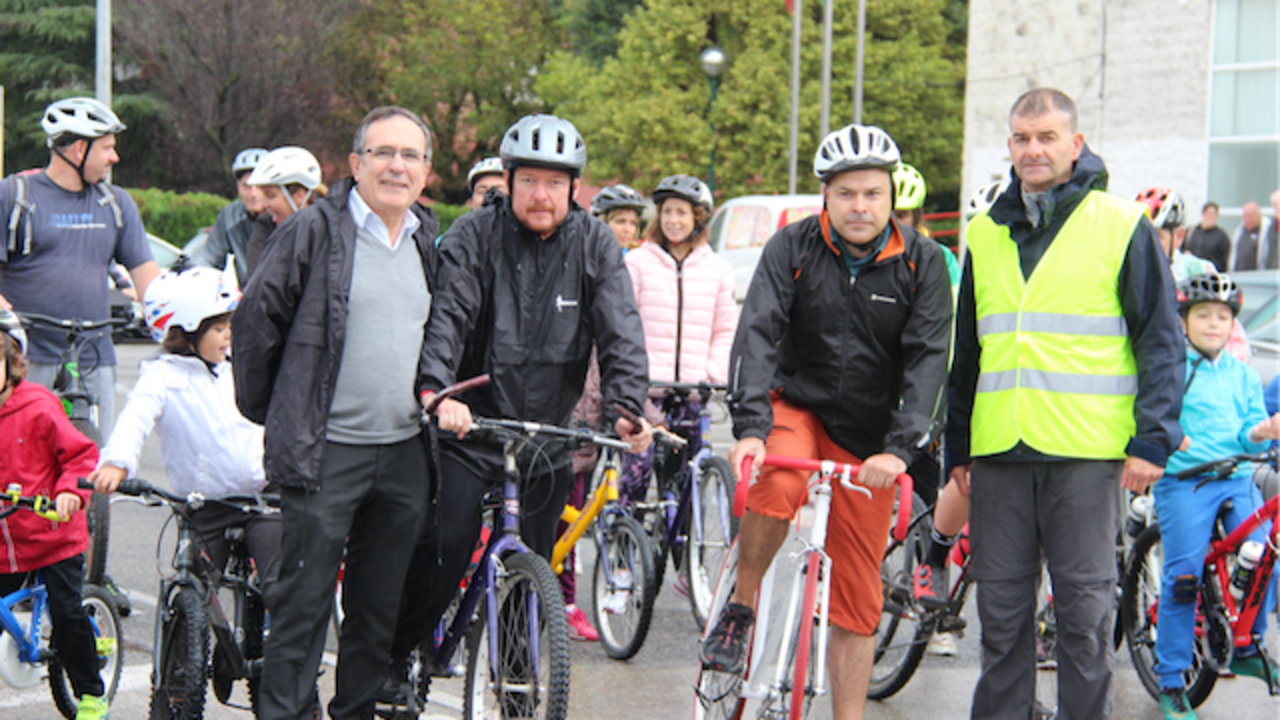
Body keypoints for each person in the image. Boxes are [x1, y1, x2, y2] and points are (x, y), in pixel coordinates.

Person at [392, 113, 653, 692]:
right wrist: (437, 392)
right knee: (449, 545)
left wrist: (627, 407)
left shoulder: (595, 244)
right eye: (529, 180)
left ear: (574, 189)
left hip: (546, 436)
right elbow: (448, 320)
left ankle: (515, 683)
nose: (541, 194)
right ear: (507, 181)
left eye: (555, 183)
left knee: (532, 563)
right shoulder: (472, 236)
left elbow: (620, 331)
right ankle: (399, 653)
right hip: (471, 427)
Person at [702, 123, 952, 720]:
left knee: (860, 597)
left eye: (871, 193)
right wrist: (752, 430)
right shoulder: (791, 247)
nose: (859, 206)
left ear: (891, 196)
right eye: (846, 194)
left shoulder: (924, 263)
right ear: (826, 198)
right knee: (780, 483)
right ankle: (741, 604)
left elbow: (929, 362)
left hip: (872, 438)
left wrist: (901, 449)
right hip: (798, 406)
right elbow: (756, 334)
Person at [949, 88, 1184, 720]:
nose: (1034, 149)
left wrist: (1151, 439)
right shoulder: (984, 232)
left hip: (1086, 455)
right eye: (1022, 138)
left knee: (1083, 622)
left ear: (1075, 144)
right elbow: (968, 354)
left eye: (1047, 137)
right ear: (1009, 147)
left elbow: (1161, 341)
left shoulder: (1121, 224)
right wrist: (958, 446)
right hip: (999, 455)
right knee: (1000, 621)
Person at [233, 106, 440, 720]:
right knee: (303, 611)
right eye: (382, 152)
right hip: (326, 451)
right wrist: (279, 410)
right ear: (355, 164)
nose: (396, 165)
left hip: (403, 452)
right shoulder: (315, 230)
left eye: (410, 155)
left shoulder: (428, 235)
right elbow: (254, 323)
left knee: (376, 614)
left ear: (426, 172)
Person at [88, 266, 281, 615]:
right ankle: (185, 665)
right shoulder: (162, 377)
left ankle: (283, 660)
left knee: (281, 584)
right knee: (192, 591)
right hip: (204, 506)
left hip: (261, 496)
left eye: (231, 326)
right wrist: (117, 461)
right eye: (219, 328)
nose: (229, 336)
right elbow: (136, 417)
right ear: (187, 333)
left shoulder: (242, 366)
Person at [1151, 273, 1280, 720]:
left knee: (1266, 555)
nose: (1213, 324)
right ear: (1183, 320)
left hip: (1237, 476)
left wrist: (1262, 432)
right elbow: (1152, 416)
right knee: (1184, 579)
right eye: (1203, 315)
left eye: (1222, 317)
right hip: (1186, 482)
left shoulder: (1243, 375)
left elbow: (1251, 431)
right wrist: (1170, 436)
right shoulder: (1172, 368)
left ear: (1232, 326)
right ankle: (1170, 680)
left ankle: (1246, 643)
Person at [0, 97, 160, 439]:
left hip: (94, 353)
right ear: (78, 150)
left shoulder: (117, 204)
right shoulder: (14, 196)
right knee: (20, 450)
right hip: (27, 356)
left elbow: (147, 276)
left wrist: (172, 318)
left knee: (92, 456)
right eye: (107, 148)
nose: (114, 158)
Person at [620, 173, 737, 591]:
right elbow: (624, 324)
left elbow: (726, 329)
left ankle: (687, 569)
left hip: (692, 390)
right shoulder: (637, 262)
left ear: (698, 218)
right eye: (666, 211)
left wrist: (710, 375)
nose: (673, 220)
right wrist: (632, 376)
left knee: (687, 479)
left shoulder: (717, 269)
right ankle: (620, 568)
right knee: (634, 478)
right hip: (646, 391)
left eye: (681, 213)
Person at [0, 309, 109, 720]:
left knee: (66, 614)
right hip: (4, 541)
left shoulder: (40, 407)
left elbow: (81, 456)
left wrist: (68, 493)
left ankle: (91, 694)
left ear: (12, 364)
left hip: (52, 532)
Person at [240, 146, 328, 282]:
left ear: (299, 196)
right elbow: (254, 284)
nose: (264, 204)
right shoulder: (266, 225)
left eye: (270, 195)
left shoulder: (332, 229)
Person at [191, 147, 268, 283]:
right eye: (246, 186)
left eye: (259, 186)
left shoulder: (283, 213)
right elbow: (210, 258)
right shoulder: (229, 216)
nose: (253, 193)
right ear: (238, 187)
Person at [591, 183, 647, 250]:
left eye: (633, 223)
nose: (627, 230)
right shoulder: (584, 255)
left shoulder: (638, 257)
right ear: (602, 222)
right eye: (620, 222)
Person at [1185, 201, 1230, 273]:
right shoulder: (1191, 231)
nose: (1210, 217)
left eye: (1213, 214)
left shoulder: (1221, 236)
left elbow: (1225, 261)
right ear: (1203, 214)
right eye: (1208, 213)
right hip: (1192, 274)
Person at [1231, 201, 1273, 271]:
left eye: (1250, 215)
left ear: (1259, 215)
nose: (1247, 219)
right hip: (1239, 276)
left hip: (1257, 277)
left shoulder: (1268, 230)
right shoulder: (1239, 230)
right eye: (1245, 215)